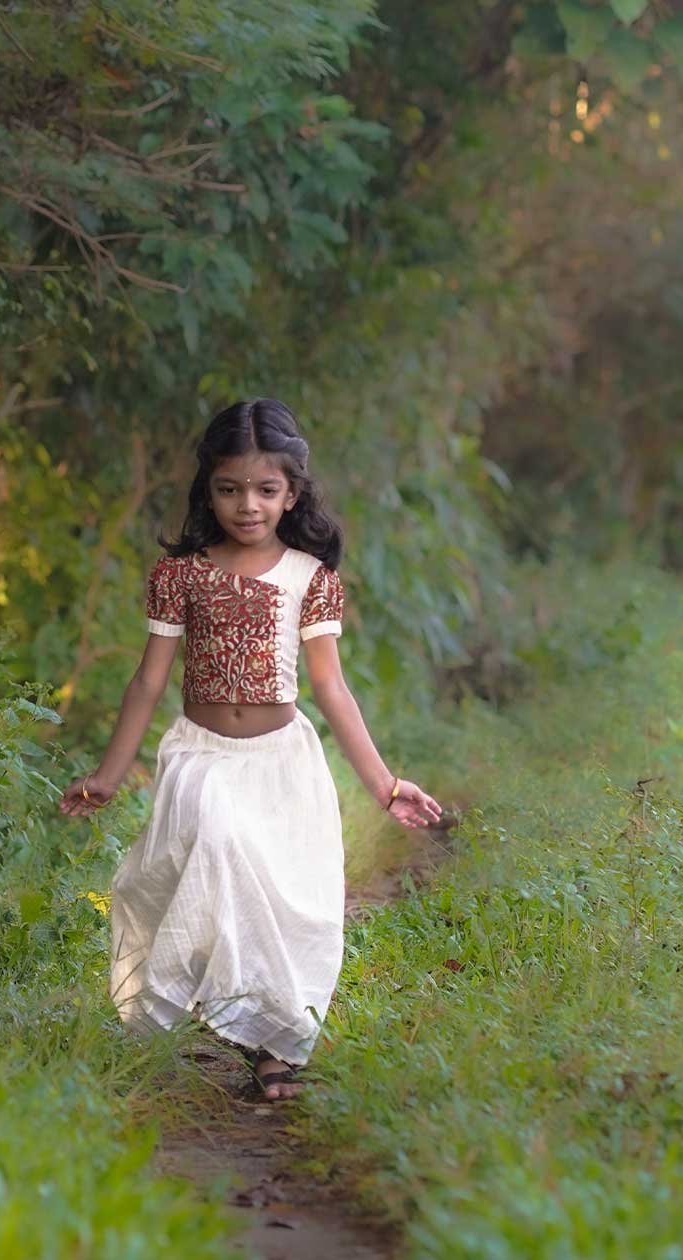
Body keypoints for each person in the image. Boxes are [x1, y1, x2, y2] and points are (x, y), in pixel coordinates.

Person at [59, 398, 441, 1101]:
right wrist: (109, 776)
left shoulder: (310, 579)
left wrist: (386, 785)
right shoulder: (180, 576)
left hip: (281, 762)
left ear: (292, 494)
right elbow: (148, 680)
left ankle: (273, 1050)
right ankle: (220, 1006)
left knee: (283, 901)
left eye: (266, 490)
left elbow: (331, 688)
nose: (248, 505)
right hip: (201, 756)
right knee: (219, 843)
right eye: (230, 489)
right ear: (208, 490)